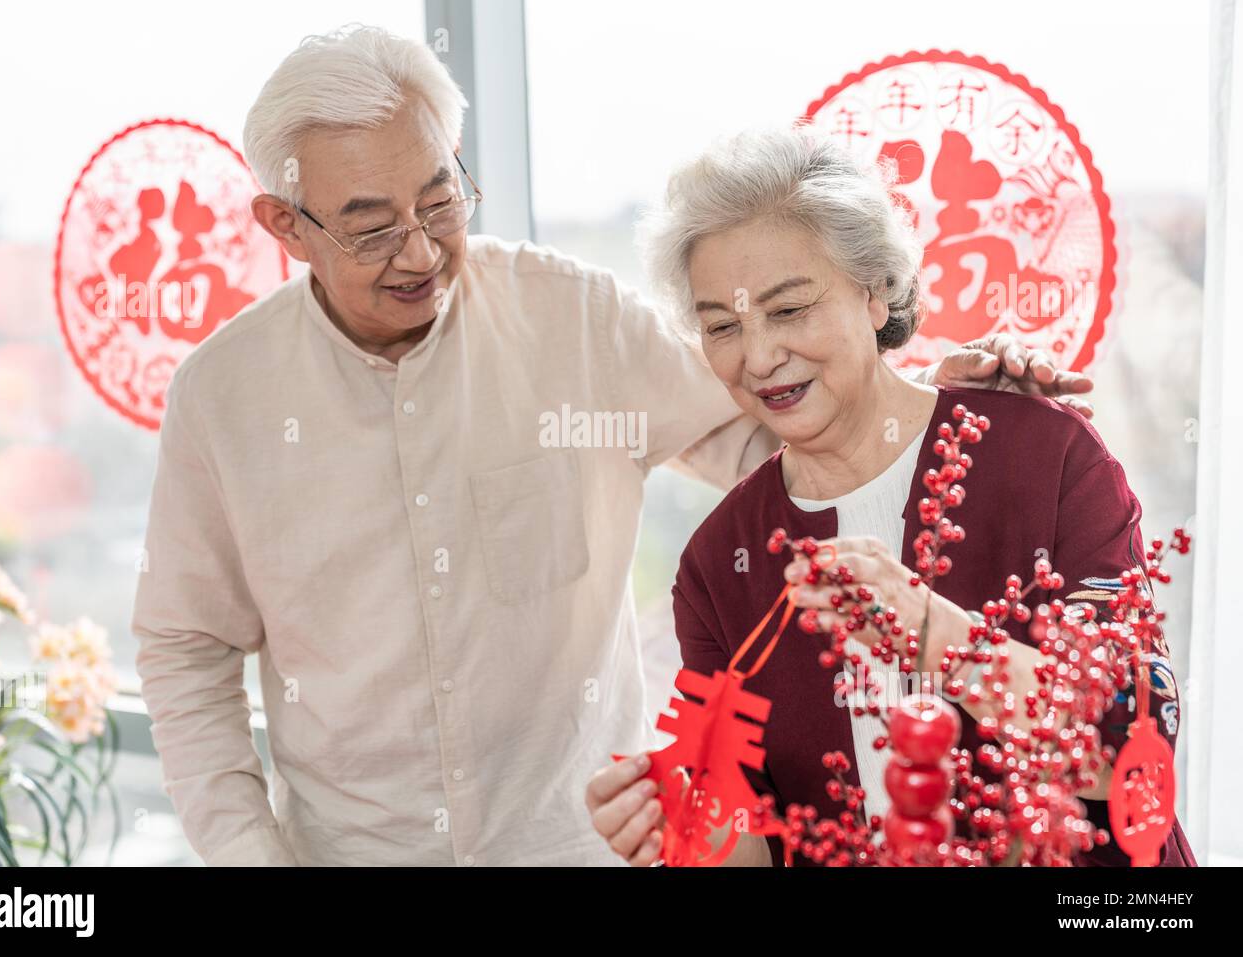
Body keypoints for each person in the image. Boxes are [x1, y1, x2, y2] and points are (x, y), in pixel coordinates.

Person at [134, 26, 1092, 866]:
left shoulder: (572, 319)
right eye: (372, 229)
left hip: (584, 848)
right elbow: (185, 650)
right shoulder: (224, 400)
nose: (422, 253)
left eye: (440, 201)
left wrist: (925, 399)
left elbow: (769, 418)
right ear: (284, 227)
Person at [586, 125, 1193, 867]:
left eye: (788, 309)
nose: (758, 355)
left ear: (875, 291)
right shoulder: (721, 566)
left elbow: (1133, 751)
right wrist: (679, 831)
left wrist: (933, 631)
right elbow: (748, 847)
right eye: (721, 325)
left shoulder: (1044, 454)